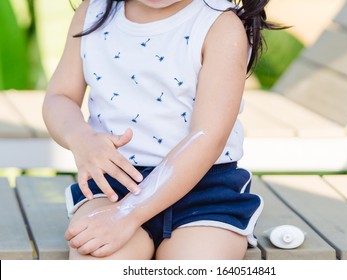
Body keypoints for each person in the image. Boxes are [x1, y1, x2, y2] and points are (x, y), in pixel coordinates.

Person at [43, 0, 280, 260]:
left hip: (204, 191)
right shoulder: (93, 12)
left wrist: (129, 213)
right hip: (114, 183)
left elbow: (207, 137)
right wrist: (82, 139)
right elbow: (60, 97)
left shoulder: (219, 25)